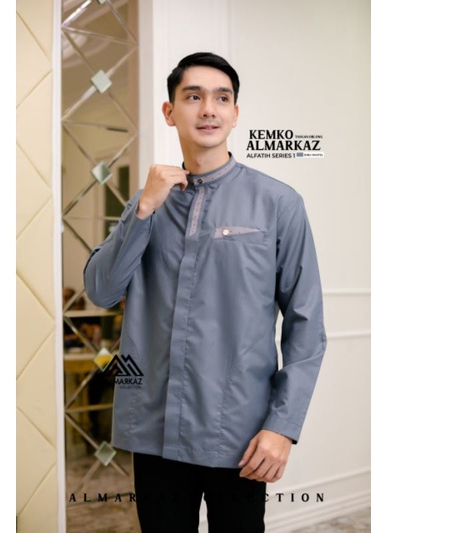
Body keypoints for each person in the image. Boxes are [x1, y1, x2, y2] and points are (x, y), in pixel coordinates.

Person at [84, 52, 327, 533]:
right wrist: (143, 210)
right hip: (154, 429)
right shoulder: (146, 204)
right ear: (169, 112)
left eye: (221, 98)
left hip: (238, 433)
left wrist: (282, 427)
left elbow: (307, 324)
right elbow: (102, 291)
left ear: (235, 113)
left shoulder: (279, 203)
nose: (208, 109)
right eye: (193, 97)